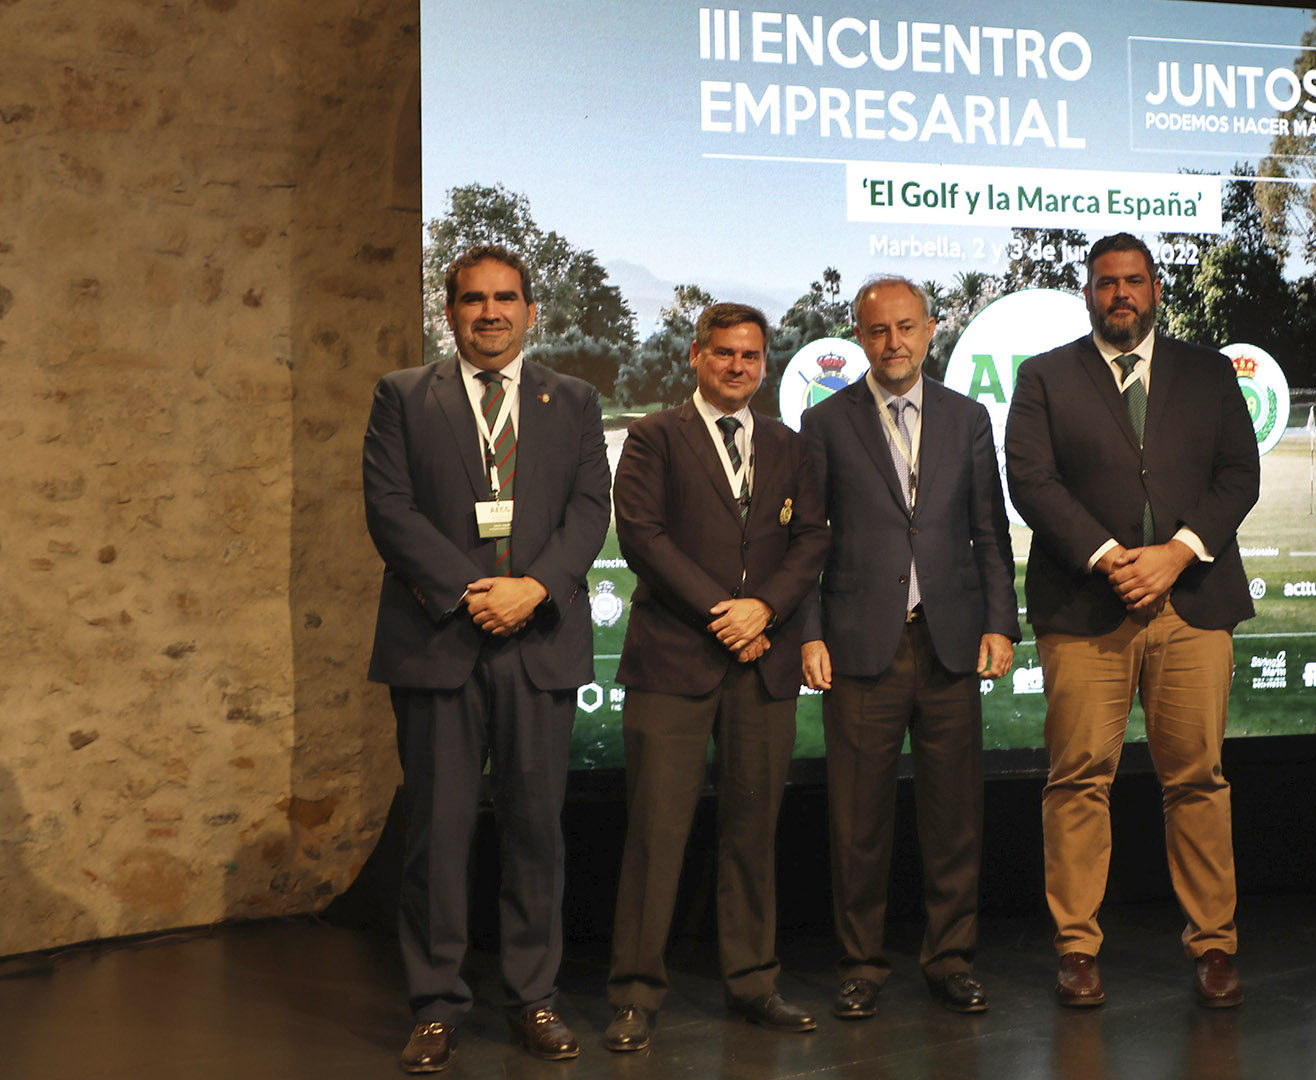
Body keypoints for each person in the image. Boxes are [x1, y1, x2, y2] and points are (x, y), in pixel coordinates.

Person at [363, 244, 610, 1071]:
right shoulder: (402, 396)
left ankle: (534, 998)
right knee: (436, 834)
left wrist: (533, 589)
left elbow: (587, 512)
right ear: (451, 311)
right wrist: (475, 592)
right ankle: (435, 1005)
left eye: (507, 298)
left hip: (537, 642)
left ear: (531, 312)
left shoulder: (572, 399)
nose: (491, 312)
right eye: (474, 300)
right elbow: (390, 511)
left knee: (536, 832)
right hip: (439, 641)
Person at [1003, 232, 1261, 1010]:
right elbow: (1031, 483)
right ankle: (1077, 950)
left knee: (1198, 781)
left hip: (1193, 603)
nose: (1121, 294)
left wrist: (1174, 555)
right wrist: (1114, 557)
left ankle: (1214, 947)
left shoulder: (1209, 373)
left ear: (1156, 290)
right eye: (1107, 282)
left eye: (1134, 282)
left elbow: (1238, 476)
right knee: (1078, 779)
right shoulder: (1045, 376)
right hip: (1086, 610)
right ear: (1087, 292)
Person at [603, 302, 830, 1051]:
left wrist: (762, 608)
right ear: (696, 357)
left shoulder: (788, 444)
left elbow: (811, 540)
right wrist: (722, 611)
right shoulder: (653, 436)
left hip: (761, 665)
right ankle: (636, 995)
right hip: (675, 658)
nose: (738, 367)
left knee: (751, 832)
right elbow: (643, 536)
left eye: (751, 356)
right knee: (656, 834)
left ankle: (754, 984)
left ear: (765, 363)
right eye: (725, 353)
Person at [798, 276, 1019, 1020]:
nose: (893, 342)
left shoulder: (967, 417)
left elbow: (989, 530)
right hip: (863, 646)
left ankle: (951, 959)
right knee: (858, 821)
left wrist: (1000, 622)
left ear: (931, 330)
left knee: (954, 816)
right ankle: (862, 965)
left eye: (905, 327)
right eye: (876, 330)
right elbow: (807, 543)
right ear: (859, 337)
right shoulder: (824, 423)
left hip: (951, 642)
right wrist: (811, 634)